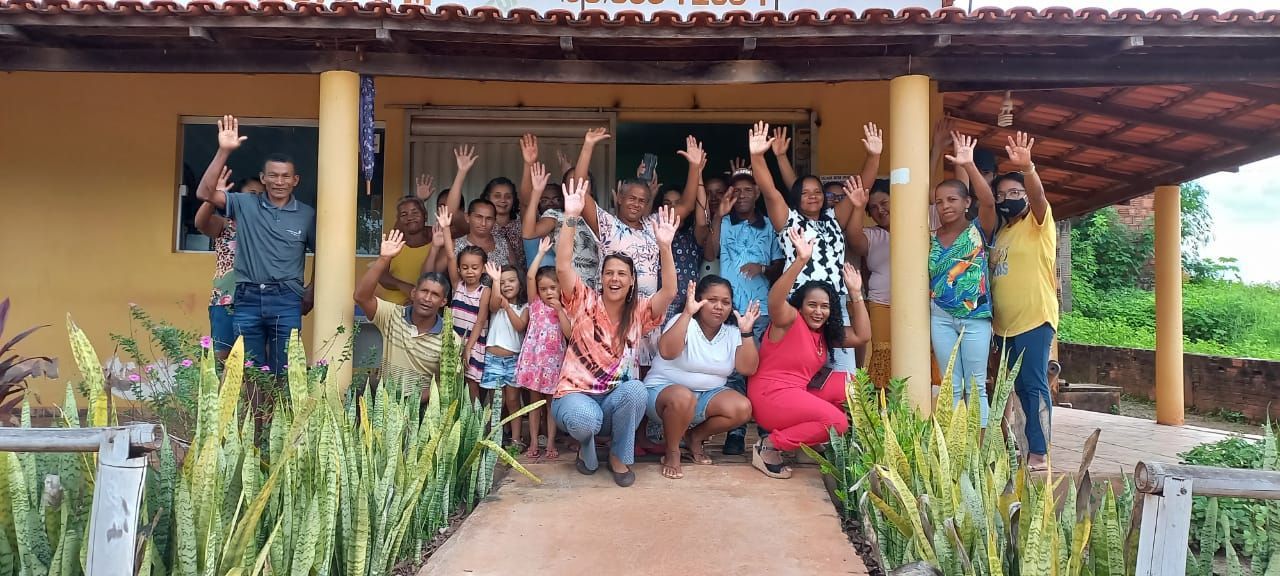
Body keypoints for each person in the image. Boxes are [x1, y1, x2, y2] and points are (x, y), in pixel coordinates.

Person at [552, 178, 679, 487]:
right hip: (575, 396)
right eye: (609, 272)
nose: (615, 278)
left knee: (636, 390)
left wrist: (664, 246)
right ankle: (586, 447)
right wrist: (571, 217)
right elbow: (562, 266)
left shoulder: (639, 312)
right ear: (601, 277)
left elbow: (670, 292)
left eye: (622, 274)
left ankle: (619, 457)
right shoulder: (584, 301)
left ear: (632, 281)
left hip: (611, 399)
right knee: (586, 421)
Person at [749, 121, 880, 373]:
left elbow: (860, 188)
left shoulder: (833, 218)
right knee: (802, 369)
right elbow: (769, 191)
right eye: (806, 192)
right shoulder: (788, 219)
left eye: (817, 191)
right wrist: (757, 156)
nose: (813, 196)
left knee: (843, 373)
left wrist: (873, 156)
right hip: (799, 303)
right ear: (796, 197)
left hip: (834, 302)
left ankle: (839, 412)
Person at [194, 115, 315, 375]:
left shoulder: (307, 214)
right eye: (273, 176)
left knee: (286, 371)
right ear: (264, 178)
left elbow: (324, 255)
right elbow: (205, 193)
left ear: (295, 180)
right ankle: (255, 418)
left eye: (285, 176)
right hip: (247, 296)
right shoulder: (245, 204)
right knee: (248, 371)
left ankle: (281, 417)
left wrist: (312, 290)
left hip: (287, 297)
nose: (279, 182)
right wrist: (223, 151)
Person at [748, 229, 871, 479]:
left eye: (824, 306)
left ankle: (807, 444)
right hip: (771, 397)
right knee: (837, 422)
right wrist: (800, 261)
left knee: (856, 384)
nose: (818, 311)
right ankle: (770, 444)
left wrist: (856, 294)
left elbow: (862, 335)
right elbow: (774, 300)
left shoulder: (824, 332)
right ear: (800, 306)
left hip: (799, 391)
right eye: (812, 305)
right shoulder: (789, 321)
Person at [988, 132, 1057, 472]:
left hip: (1034, 319)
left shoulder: (1038, 222)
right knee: (1010, 391)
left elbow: (1040, 196)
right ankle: (1021, 448)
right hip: (1003, 327)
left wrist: (1027, 167)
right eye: (1002, 194)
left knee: (1032, 385)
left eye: (1015, 193)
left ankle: (1040, 453)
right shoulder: (1001, 232)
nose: (1008, 199)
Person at [703, 172, 784, 456]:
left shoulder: (770, 227)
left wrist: (761, 269)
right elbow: (710, 253)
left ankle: (764, 430)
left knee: (760, 372)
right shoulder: (724, 223)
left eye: (748, 190)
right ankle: (735, 433)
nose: (743, 195)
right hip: (728, 311)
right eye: (737, 191)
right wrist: (717, 216)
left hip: (760, 311)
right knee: (734, 373)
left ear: (757, 193)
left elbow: (778, 264)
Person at [646, 277, 759, 479]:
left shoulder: (733, 333)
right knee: (683, 396)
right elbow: (667, 351)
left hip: (706, 397)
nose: (719, 307)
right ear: (698, 300)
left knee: (742, 407)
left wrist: (746, 333)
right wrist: (688, 314)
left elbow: (747, 369)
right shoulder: (683, 321)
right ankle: (672, 451)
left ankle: (694, 437)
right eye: (712, 300)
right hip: (664, 396)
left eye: (725, 302)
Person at [570, 128, 701, 298]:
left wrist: (695, 167)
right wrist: (587, 146)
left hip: (645, 315)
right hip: (609, 312)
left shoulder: (654, 225)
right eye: (631, 198)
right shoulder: (607, 224)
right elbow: (580, 191)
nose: (636, 204)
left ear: (648, 204)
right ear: (620, 199)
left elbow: (687, 205)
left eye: (642, 201)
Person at [929, 133, 998, 427]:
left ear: (966, 201)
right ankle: (954, 455)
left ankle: (981, 454)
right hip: (940, 317)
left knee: (976, 387)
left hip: (975, 317)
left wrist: (968, 165)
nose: (945, 206)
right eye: (940, 201)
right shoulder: (931, 236)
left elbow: (989, 200)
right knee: (951, 388)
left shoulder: (978, 228)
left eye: (953, 199)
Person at [354, 229, 450, 401]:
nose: (427, 298)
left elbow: (446, 385)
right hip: (384, 403)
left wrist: (410, 403)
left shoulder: (450, 340)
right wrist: (384, 259)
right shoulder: (392, 315)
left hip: (420, 410)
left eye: (435, 295)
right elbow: (361, 297)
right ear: (413, 293)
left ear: (443, 302)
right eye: (424, 291)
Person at [194, 168, 263, 361]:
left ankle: (250, 393)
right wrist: (213, 198)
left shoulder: (269, 228)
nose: (256, 199)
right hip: (225, 300)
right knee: (222, 356)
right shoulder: (225, 223)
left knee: (253, 360)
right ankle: (220, 392)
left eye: (261, 196)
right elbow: (201, 223)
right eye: (251, 194)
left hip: (258, 302)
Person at [515, 237, 570, 461]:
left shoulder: (565, 306)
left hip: (554, 363)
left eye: (553, 288)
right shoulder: (535, 304)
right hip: (534, 361)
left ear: (560, 288)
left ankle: (549, 443)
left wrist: (560, 310)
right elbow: (529, 275)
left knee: (550, 405)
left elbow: (569, 333)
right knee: (533, 403)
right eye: (543, 289)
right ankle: (533, 441)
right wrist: (540, 253)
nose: (548, 292)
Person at [430, 208, 491, 399]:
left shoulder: (485, 291)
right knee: (452, 382)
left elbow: (480, 321)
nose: (469, 271)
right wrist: (447, 228)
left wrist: (468, 348)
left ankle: (472, 421)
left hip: (474, 344)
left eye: (474, 267)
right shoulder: (458, 286)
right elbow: (450, 255)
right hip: (453, 343)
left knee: (472, 385)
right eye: (464, 267)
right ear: (459, 269)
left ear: (483, 269)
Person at [521, 160, 600, 288]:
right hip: (569, 289)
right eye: (572, 182)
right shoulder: (556, 215)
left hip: (598, 290)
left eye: (583, 181)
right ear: (564, 187)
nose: (577, 186)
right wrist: (536, 193)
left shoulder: (600, 217)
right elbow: (528, 233)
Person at [846, 177, 892, 388]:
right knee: (883, 354)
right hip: (881, 302)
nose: (879, 210)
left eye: (884, 203)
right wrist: (858, 206)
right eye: (873, 208)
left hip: (919, 304)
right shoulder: (873, 235)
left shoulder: (920, 226)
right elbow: (854, 238)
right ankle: (883, 407)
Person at [481, 261, 529, 449]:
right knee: (496, 403)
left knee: (513, 401)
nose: (506, 285)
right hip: (493, 359)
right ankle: (495, 438)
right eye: (503, 282)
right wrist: (495, 282)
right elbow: (493, 304)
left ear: (520, 283)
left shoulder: (524, 307)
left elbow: (520, 326)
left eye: (511, 281)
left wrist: (508, 307)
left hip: (513, 360)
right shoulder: (497, 305)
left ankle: (516, 439)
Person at [373, 194, 434, 306]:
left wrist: (418, 298)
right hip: (391, 308)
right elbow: (381, 276)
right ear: (398, 220)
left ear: (425, 216)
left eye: (415, 213)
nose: (409, 217)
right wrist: (402, 286)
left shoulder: (436, 241)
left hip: (423, 309)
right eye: (404, 214)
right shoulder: (393, 243)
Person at [660, 185, 705, 320]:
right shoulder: (653, 232)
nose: (673, 208)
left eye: (678, 203)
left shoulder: (691, 235)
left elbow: (702, 221)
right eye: (667, 204)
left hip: (688, 305)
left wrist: (699, 176)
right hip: (661, 304)